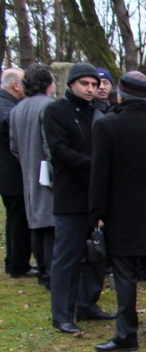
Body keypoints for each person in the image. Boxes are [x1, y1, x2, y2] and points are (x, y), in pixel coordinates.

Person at [90, 72, 146, 352]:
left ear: (121, 95)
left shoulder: (107, 127)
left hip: (120, 211)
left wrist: (97, 211)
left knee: (126, 274)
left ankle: (127, 333)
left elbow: (99, 174)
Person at [43, 62, 114, 334]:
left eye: (94, 84)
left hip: (96, 195)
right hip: (71, 196)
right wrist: (95, 164)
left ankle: (87, 303)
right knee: (67, 256)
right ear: (72, 83)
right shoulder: (56, 111)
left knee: (96, 253)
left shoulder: (98, 111)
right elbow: (59, 150)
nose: (91, 89)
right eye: (85, 84)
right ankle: (62, 314)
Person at [8, 64, 56, 289]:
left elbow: (14, 146)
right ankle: (50, 273)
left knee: (36, 224)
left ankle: (43, 272)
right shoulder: (49, 107)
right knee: (50, 225)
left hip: (28, 172)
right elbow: (51, 144)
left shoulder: (18, 108)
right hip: (47, 174)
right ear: (48, 83)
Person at [1, 67, 31, 278]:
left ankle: (15, 262)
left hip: (9, 172)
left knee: (15, 218)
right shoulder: (7, 109)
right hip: (11, 174)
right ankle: (18, 264)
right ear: (15, 85)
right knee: (18, 218)